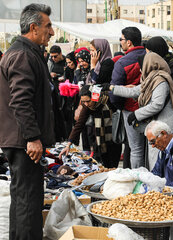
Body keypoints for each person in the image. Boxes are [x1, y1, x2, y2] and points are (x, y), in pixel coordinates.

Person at [0, 4, 55, 239]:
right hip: (23, 141)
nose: (52, 32)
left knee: (23, 199)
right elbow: (20, 101)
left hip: (19, 138)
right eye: (48, 26)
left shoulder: (26, 52)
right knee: (29, 202)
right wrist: (32, 137)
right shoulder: (23, 54)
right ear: (34, 28)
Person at [104, 52, 173, 170]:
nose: (141, 70)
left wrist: (136, 114)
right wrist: (110, 88)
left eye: (142, 66)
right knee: (156, 163)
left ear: (148, 65)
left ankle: (165, 188)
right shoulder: (150, 80)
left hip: (166, 128)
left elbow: (157, 104)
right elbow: (133, 92)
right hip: (157, 127)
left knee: (166, 165)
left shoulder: (160, 81)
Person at [110, 26, 146, 169]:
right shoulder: (149, 56)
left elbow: (115, 92)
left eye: (121, 39)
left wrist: (121, 107)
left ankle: (138, 178)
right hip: (151, 107)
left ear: (129, 42)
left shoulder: (122, 62)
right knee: (151, 147)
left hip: (131, 109)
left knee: (135, 148)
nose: (120, 42)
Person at [59, 85, 120, 168]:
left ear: (94, 97)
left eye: (88, 101)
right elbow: (79, 125)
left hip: (115, 137)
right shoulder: (87, 106)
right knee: (106, 166)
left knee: (114, 164)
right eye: (83, 102)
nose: (86, 104)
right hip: (101, 141)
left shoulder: (108, 99)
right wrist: (68, 145)